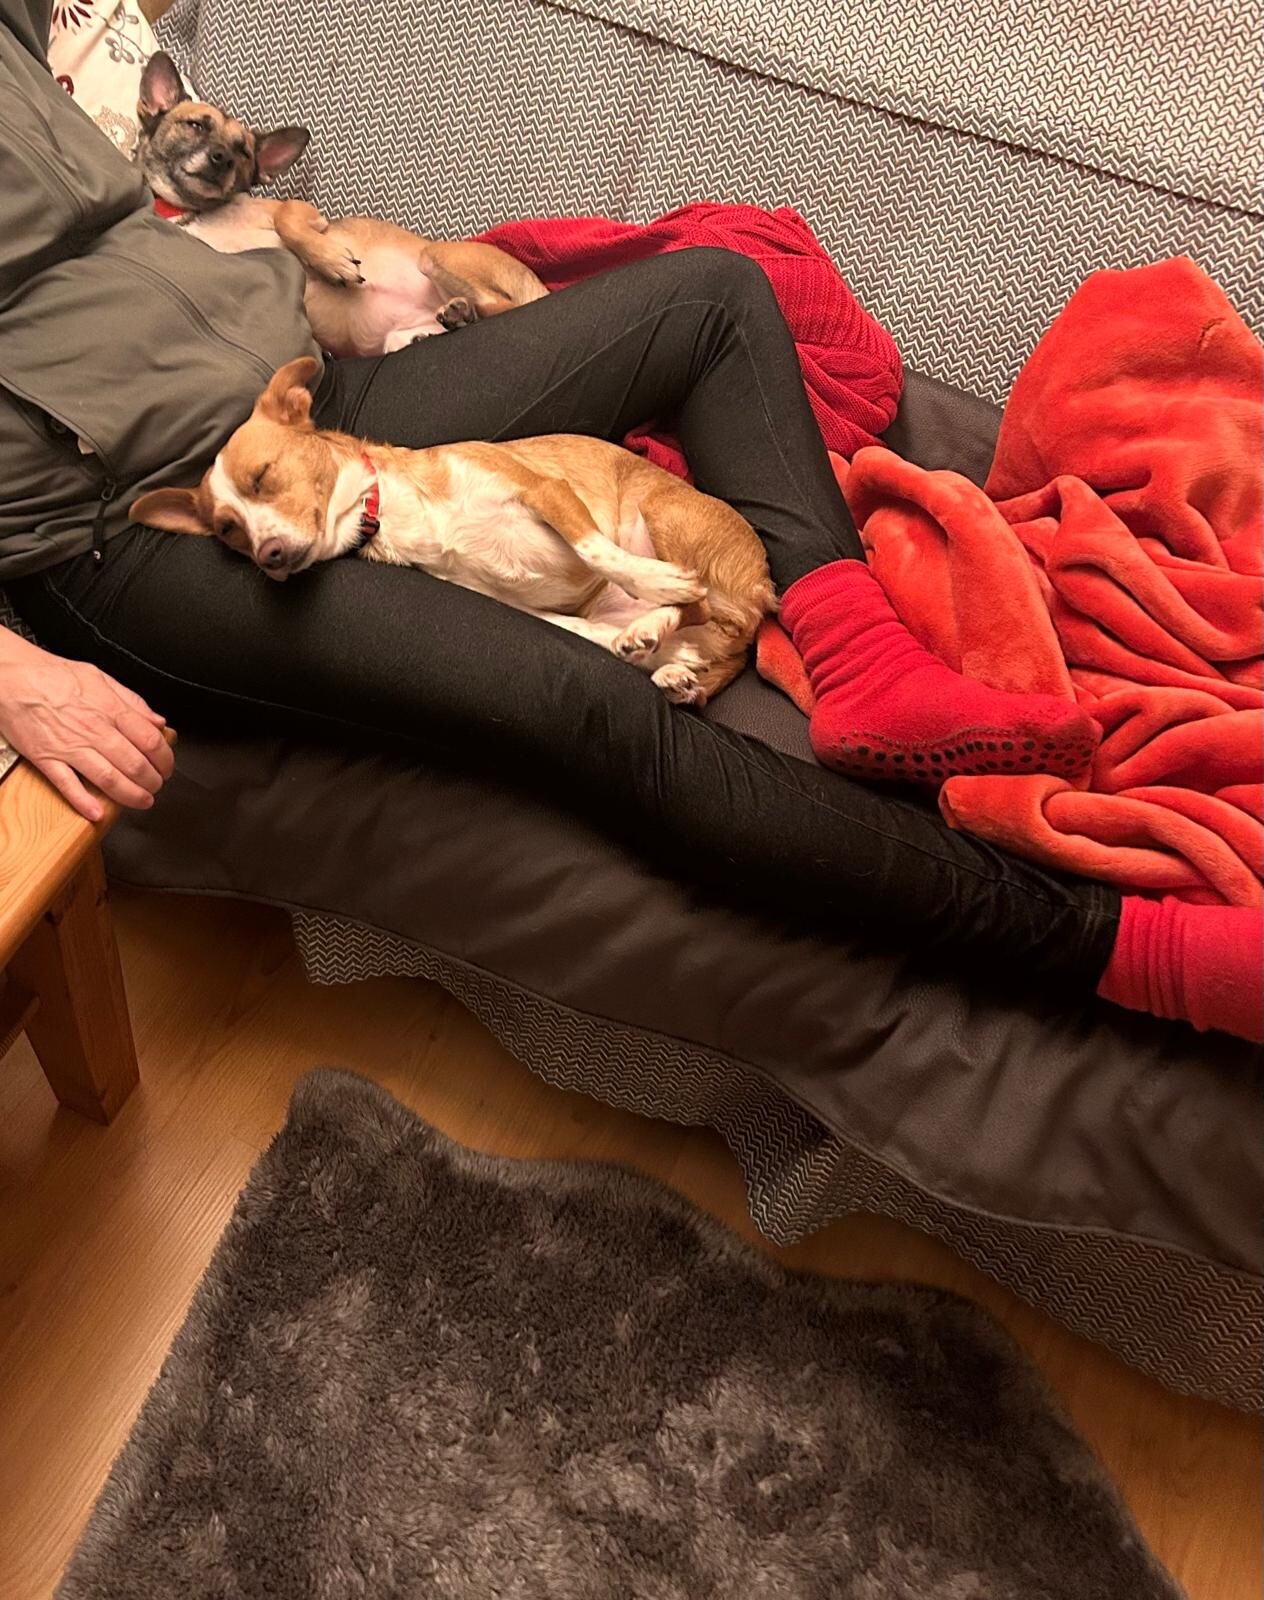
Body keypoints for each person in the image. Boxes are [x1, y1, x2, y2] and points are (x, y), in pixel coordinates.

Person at [0, 0, 1257, 1042]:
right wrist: (14, 674)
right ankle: (1116, 951)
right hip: (139, 519)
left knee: (709, 295)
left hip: (303, 394)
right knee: (583, 697)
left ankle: (864, 664)